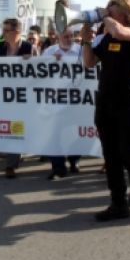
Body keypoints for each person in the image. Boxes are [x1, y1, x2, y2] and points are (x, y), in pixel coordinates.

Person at [80, 0, 130, 221]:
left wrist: (103, 15)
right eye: (108, 6)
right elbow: (89, 62)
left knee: (128, 153)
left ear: (126, 10)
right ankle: (118, 203)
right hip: (106, 102)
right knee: (111, 157)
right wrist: (87, 40)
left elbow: (121, 32)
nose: (108, 9)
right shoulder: (106, 34)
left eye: (112, 6)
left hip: (129, 103)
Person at [0, 18, 38, 178]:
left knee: (17, 127)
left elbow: (39, 69)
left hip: (23, 95)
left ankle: (11, 164)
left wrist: (31, 61)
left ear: (16, 32)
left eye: (6, 30)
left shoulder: (28, 47)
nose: (3, 33)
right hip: (4, 95)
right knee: (11, 127)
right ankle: (13, 158)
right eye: (3, 30)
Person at [43, 27, 82, 180]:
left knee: (78, 132)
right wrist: (51, 62)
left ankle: (74, 160)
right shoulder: (49, 52)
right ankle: (58, 168)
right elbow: (39, 72)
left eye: (71, 36)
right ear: (58, 37)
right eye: (65, 36)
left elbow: (90, 69)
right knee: (52, 134)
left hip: (78, 101)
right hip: (56, 101)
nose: (69, 39)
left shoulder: (80, 51)